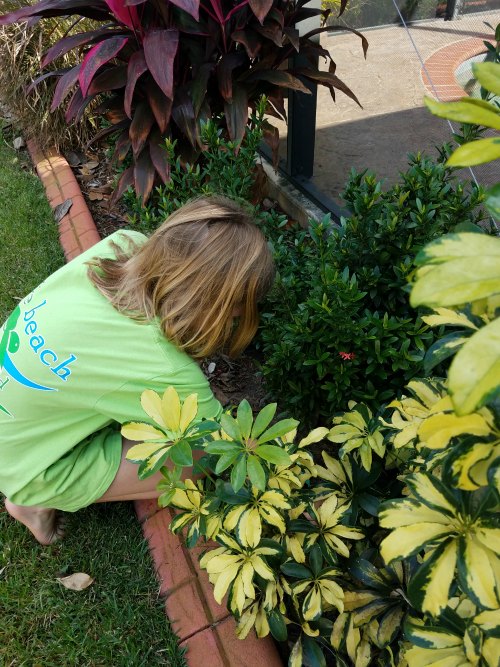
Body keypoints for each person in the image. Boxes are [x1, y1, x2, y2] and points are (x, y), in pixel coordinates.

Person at [0, 196, 275, 545]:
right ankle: (33, 502)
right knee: (198, 455)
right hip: (23, 468)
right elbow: (219, 445)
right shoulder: (161, 364)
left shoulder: (123, 244)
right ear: (219, 307)